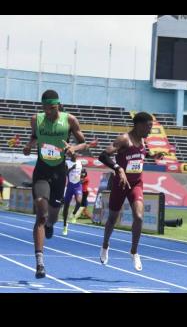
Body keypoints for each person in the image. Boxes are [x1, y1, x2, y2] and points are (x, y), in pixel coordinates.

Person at [23, 89, 89, 279]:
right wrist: (29, 145)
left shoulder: (69, 120)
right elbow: (35, 136)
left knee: (52, 217)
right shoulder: (36, 119)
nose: (49, 112)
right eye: (46, 108)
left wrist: (73, 148)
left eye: (52, 108)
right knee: (41, 214)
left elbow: (83, 143)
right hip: (42, 171)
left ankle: (51, 223)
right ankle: (40, 263)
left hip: (59, 173)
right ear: (42, 107)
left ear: (58, 105)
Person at [98, 112, 163, 271]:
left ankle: (134, 251)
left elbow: (140, 155)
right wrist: (118, 168)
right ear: (139, 125)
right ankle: (105, 245)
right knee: (112, 218)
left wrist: (153, 155)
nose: (150, 130)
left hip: (136, 183)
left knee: (139, 217)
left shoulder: (143, 140)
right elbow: (103, 156)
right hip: (120, 184)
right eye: (148, 127)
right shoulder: (124, 140)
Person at [61, 152, 83, 235]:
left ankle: (73, 214)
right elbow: (64, 174)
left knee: (79, 202)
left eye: (76, 154)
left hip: (77, 186)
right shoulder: (67, 163)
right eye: (73, 154)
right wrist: (71, 168)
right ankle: (65, 226)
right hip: (70, 186)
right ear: (71, 155)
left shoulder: (79, 162)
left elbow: (82, 172)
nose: (75, 155)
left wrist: (82, 177)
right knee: (66, 207)